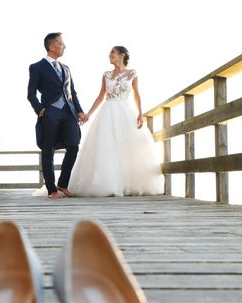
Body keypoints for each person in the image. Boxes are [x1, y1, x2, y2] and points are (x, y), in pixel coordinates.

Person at [67, 46, 164, 197]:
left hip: (125, 111)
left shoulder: (132, 73)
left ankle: (129, 184)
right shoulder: (106, 75)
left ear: (122, 54)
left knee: (127, 146)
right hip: (107, 112)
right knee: (106, 146)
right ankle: (109, 184)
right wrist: (88, 114)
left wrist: (140, 113)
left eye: (112, 52)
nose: (109, 55)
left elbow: (137, 94)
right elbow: (101, 96)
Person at [28, 32, 88, 199]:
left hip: (68, 113)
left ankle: (63, 183)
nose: (64, 46)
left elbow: (72, 93)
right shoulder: (37, 67)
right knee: (48, 150)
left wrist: (79, 111)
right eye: (61, 43)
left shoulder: (66, 68)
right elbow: (30, 94)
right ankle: (52, 190)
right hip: (50, 112)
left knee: (74, 145)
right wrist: (40, 109)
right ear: (52, 46)